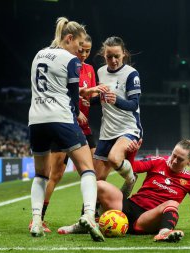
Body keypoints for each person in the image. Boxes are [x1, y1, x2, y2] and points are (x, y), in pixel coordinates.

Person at [28, 16, 104, 241]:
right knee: (87, 168)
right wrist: (76, 111)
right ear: (69, 38)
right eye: (78, 45)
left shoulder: (38, 55)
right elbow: (71, 95)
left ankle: (36, 221)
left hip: (36, 120)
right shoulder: (70, 60)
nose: (79, 51)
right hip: (61, 118)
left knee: (41, 174)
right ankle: (89, 215)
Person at [57, 36, 143, 234]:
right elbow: (102, 99)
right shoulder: (101, 72)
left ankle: (130, 178)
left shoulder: (131, 74)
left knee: (114, 158)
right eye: (109, 56)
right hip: (107, 132)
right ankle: (86, 220)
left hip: (128, 129)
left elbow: (133, 104)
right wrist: (91, 101)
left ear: (124, 55)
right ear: (104, 55)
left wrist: (116, 100)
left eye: (117, 56)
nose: (113, 60)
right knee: (94, 182)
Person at [97, 139, 190, 242]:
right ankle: (92, 219)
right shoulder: (158, 162)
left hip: (147, 218)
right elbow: (133, 168)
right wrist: (133, 152)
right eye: (173, 155)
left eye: (180, 159)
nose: (174, 160)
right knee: (99, 184)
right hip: (128, 207)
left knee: (173, 203)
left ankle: (164, 232)